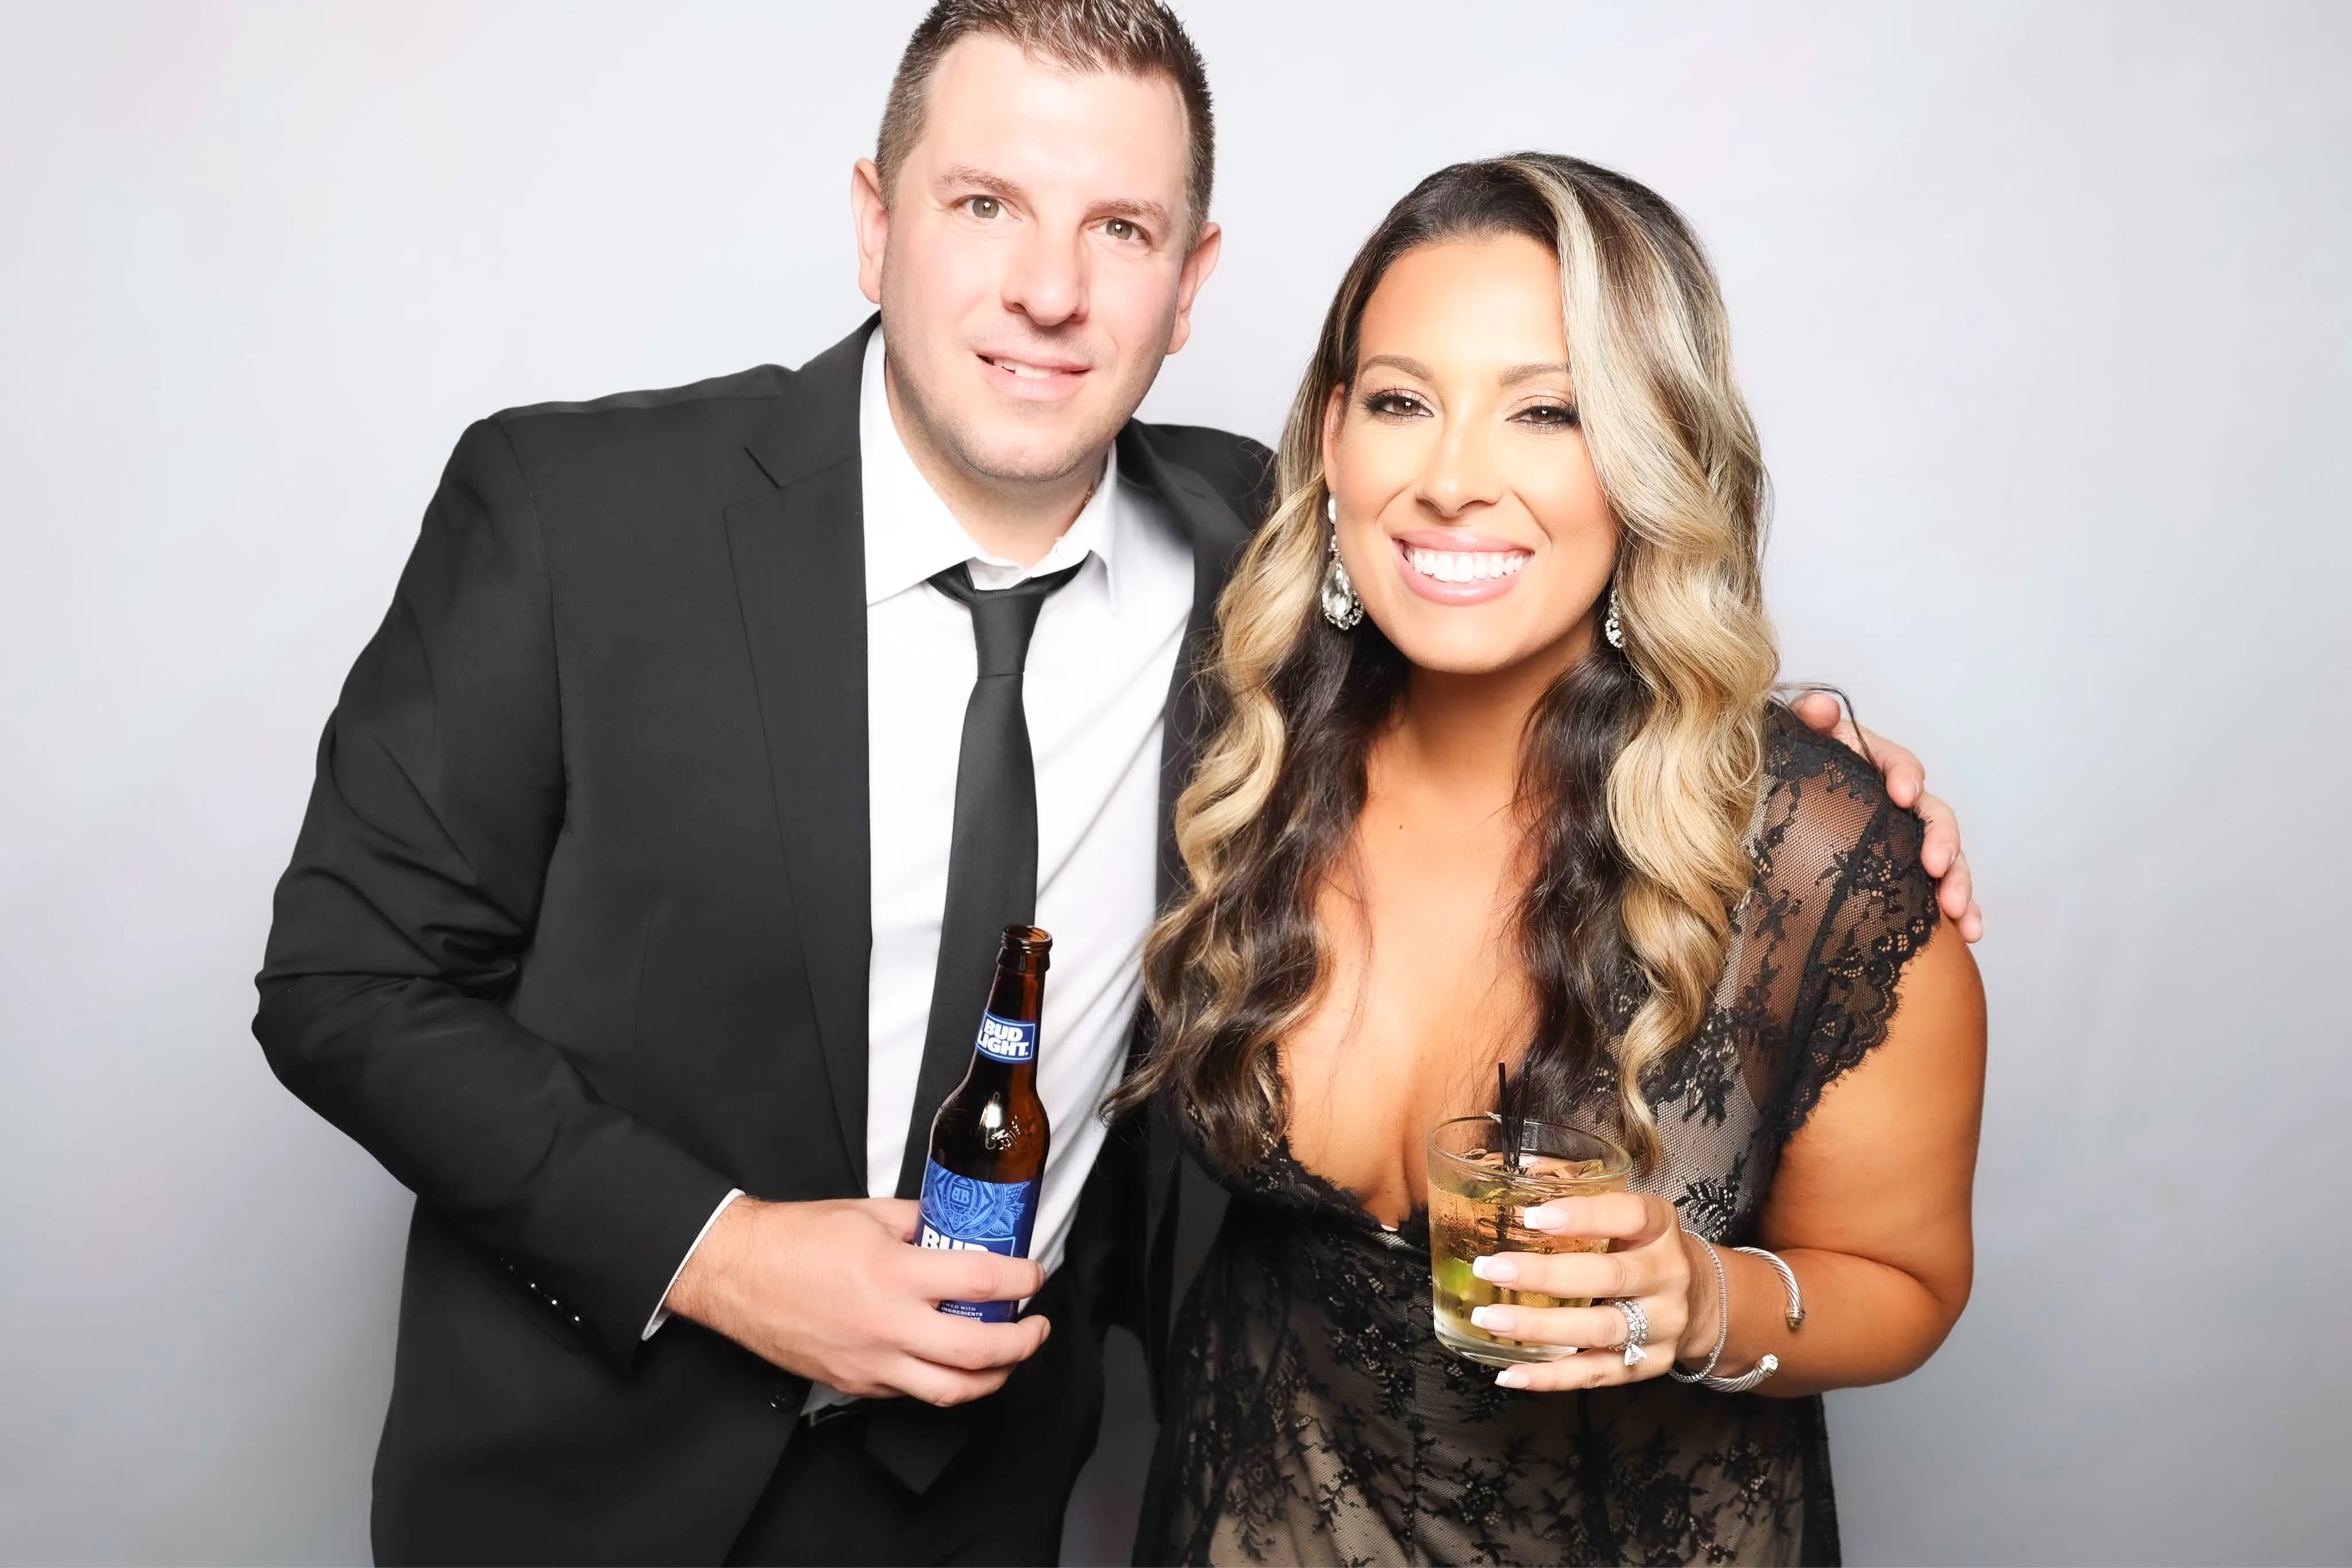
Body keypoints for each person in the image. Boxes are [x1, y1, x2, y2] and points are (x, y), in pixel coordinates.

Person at [253, 2, 1975, 1561]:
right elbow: (346, 980)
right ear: (875, 221)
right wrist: (724, 1252)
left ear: (1192, 280)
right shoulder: (576, 514)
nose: (1050, 290)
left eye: (1121, 229)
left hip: (985, 1508)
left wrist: (1781, 751)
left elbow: (1530, 631)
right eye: (983, 204)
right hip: (580, 1493)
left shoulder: (1260, 565)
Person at [1120, 154, 1989, 1566]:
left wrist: (1700, 1302)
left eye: (1548, 411)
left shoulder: (1814, 858)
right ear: (1332, 437)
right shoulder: (1236, 752)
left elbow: (1904, 1281)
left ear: (1650, 456)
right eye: (1401, 401)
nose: (1452, 480)